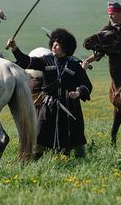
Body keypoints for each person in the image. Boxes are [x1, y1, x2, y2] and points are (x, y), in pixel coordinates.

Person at [6, 28, 92, 158]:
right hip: (49, 105)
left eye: (57, 44)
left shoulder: (75, 65)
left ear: (65, 47)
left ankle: (80, 161)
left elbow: (86, 84)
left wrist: (78, 92)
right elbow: (26, 61)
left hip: (70, 107)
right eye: (53, 43)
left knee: (75, 136)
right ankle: (35, 162)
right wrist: (15, 48)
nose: (53, 45)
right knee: (40, 134)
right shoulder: (45, 60)